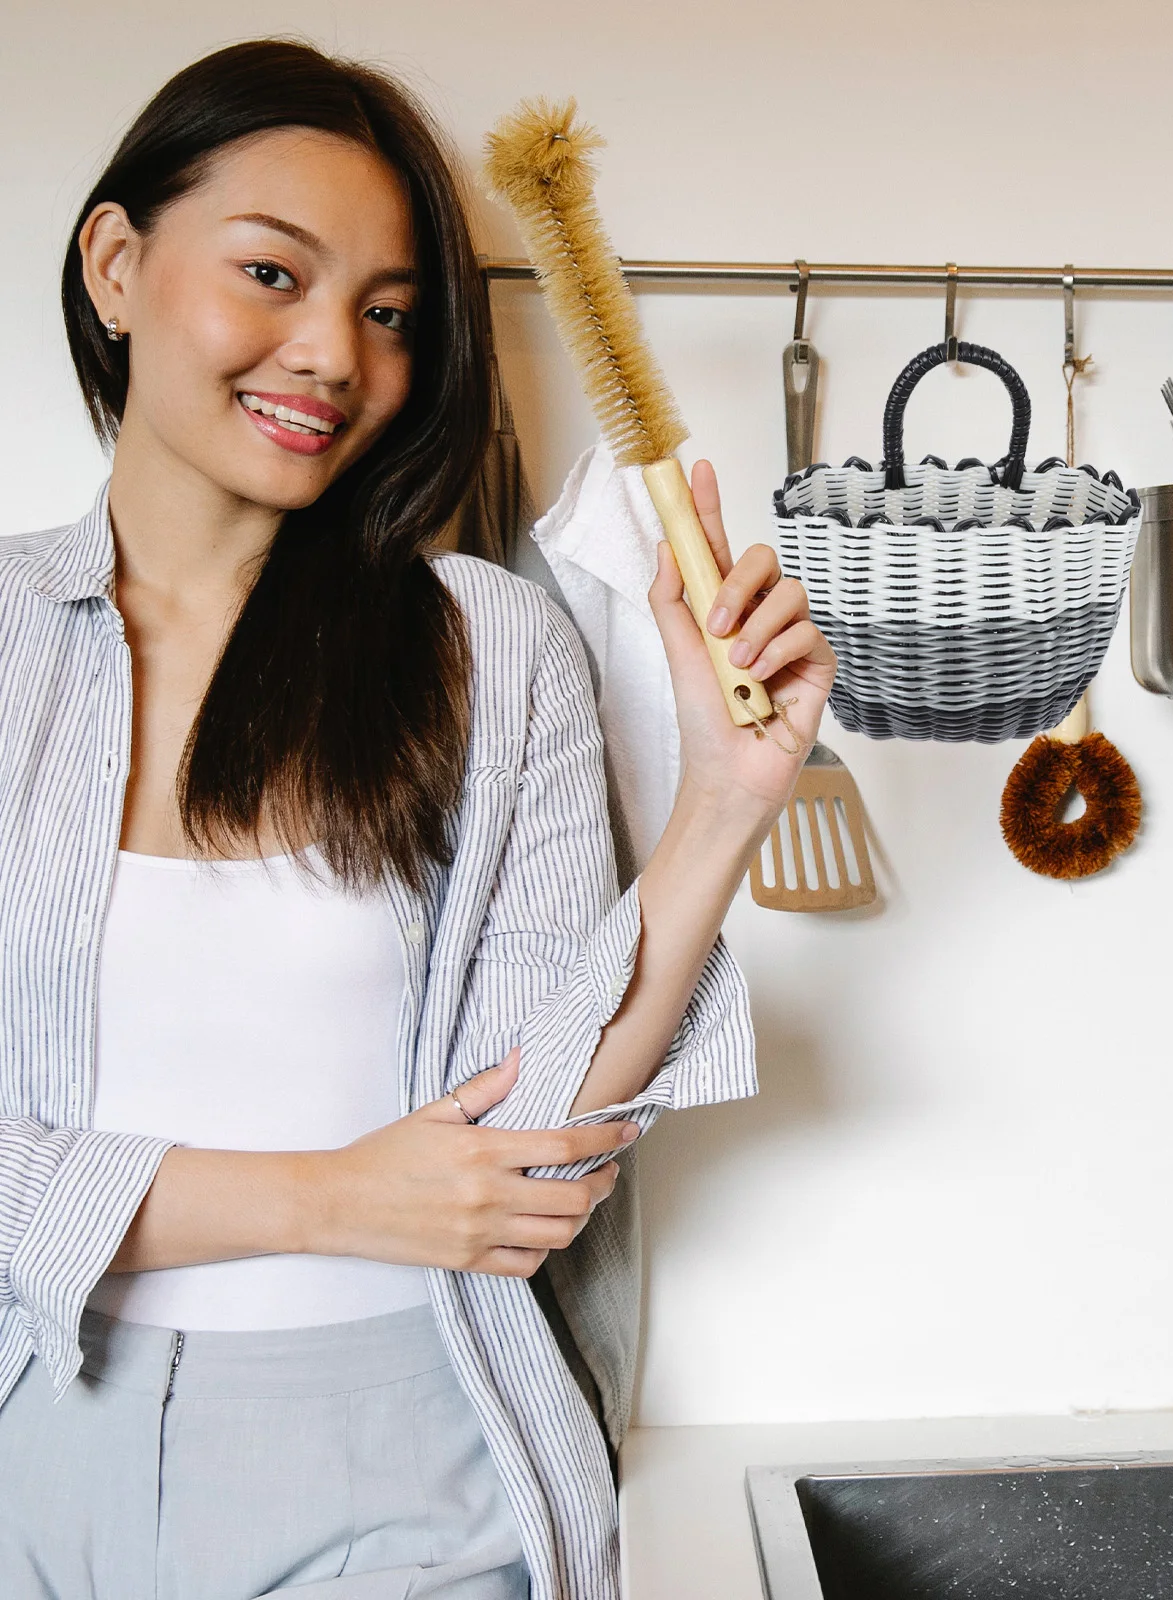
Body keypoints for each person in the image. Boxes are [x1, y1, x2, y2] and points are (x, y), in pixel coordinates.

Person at [0, 38, 832, 1600]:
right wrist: (328, 1195)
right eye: (273, 273)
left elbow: (527, 1142)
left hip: (409, 1456)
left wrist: (726, 807)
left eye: (388, 314)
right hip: (33, 1431)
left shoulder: (483, 647)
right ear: (116, 263)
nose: (333, 355)